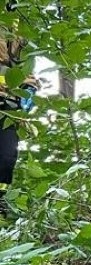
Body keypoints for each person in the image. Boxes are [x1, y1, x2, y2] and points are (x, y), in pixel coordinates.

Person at [0, 3, 37, 202]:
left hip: (10, 113)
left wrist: (25, 105)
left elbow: (30, 89)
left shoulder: (22, 60)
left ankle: (1, 199)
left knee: (6, 159)